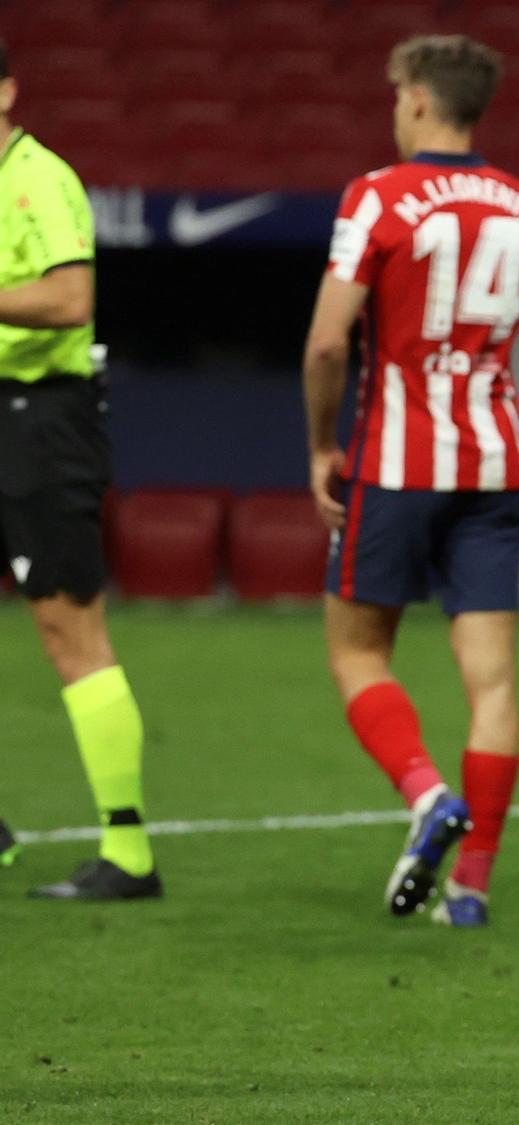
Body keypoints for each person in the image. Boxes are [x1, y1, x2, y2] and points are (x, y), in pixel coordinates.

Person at [302, 35, 519, 926]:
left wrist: (319, 447)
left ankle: (426, 793)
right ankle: (472, 888)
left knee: (356, 649)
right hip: (493, 464)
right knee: (491, 678)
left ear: (418, 100)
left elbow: (329, 342)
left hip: (396, 460)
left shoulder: (378, 196)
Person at [0, 38, 160, 900]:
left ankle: (128, 850)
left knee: (70, 629)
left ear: (7, 91)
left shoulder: (39, 179)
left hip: (41, 422)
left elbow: (69, 299)